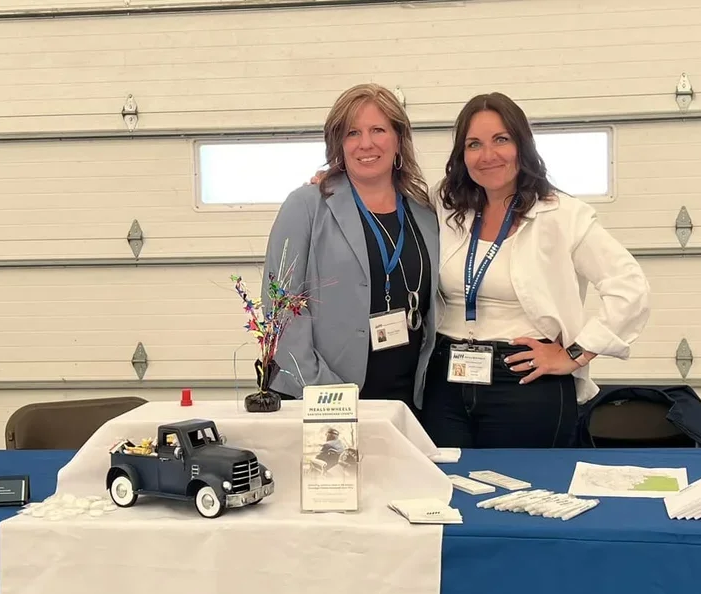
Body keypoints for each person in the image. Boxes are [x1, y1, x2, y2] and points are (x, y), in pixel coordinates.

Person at [422, 92, 649, 448]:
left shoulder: (561, 215)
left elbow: (629, 287)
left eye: (501, 140)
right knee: (448, 490)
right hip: (446, 380)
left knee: (521, 495)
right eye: (474, 144)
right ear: (461, 155)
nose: (488, 155)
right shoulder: (445, 207)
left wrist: (575, 353)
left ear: (522, 145)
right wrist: (330, 184)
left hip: (524, 380)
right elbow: (383, 198)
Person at [263, 84, 442, 411]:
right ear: (338, 144)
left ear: (399, 139)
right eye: (352, 133)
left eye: (378, 130)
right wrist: (326, 394)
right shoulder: (306, 206)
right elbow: (281, 311)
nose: (366, 144)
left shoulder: (425, 213)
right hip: (322, 399)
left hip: (406, 403)